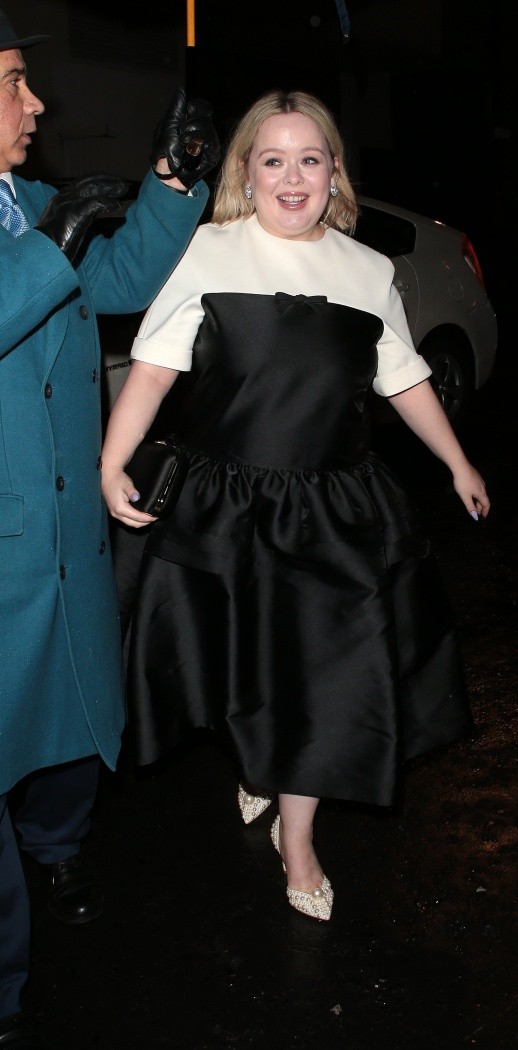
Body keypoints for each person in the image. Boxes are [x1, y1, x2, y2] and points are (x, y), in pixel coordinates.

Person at [101, 89, 490, 926]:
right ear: (245, 171)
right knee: (245, 665)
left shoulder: (368, 270)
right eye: (271, 158)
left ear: (334, 172)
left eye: (310, 158)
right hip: (227, 506)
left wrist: (456, 460)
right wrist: (111, 461)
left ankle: (300, 836)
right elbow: (156, 369)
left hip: (334, 511)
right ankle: (257, 761)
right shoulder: (207, 250)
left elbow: (404, 376)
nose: (291, 175)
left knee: (322, 678)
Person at [0, 8, 220, 1046]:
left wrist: (173, 185)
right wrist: (49, 250)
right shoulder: (35, 227)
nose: (36, 102)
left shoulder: (31, 202)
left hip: (64, 540)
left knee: (71, 723)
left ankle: (58, 846)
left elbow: (124, 280)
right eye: (11, 81)